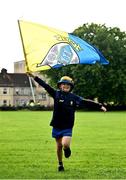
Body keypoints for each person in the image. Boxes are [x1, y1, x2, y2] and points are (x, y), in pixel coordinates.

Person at [28, 73, 107, 172]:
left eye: (68, 85)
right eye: (64, 84)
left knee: (65, 144)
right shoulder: (56, 94)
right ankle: (60, 164)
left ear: (70, 87)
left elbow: (86, 102)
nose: (66, 86)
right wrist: (33, 76)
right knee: (58, 146)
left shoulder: (74, 97)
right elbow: (45, 86)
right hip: (57, 125)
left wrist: (99, 106)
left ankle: (67, 149)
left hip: (67, 126)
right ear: (60, 86)